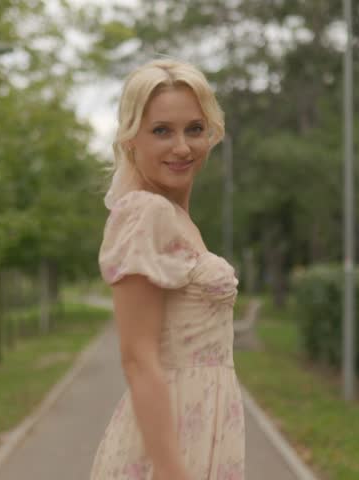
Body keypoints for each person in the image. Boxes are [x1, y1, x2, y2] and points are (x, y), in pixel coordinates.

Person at [90, 59, 244, 480]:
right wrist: (173, 471)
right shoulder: (144, 213)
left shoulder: (176, 217)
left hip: (204, 424)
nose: (182, 147)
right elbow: (138, 358)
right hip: (172, 445)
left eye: (194, 129)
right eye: (162, 130)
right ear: (131, 138)